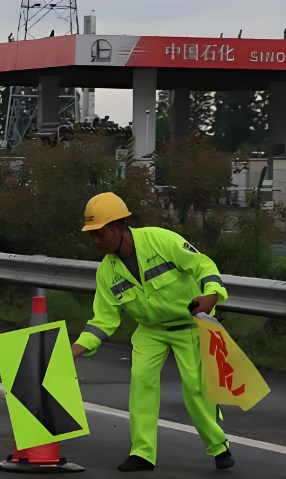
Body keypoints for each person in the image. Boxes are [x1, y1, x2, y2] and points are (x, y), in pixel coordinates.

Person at [71, 192, 233, 472]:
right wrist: (74, 350)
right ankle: (142, 453)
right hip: (150, 331)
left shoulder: (160, 240)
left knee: (196, 388)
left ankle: (219, 446)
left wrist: (212, 295)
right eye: (92, 235)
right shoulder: (107, 272)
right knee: (141, 383)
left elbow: (203, 264)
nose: (95, 241)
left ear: (119, 226)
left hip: (188, 325)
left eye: (99, 234)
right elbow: (104, 320)